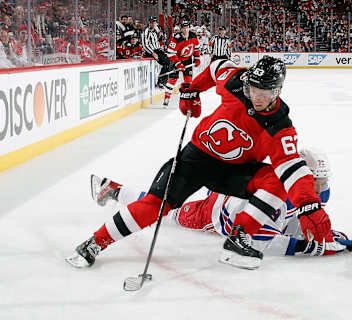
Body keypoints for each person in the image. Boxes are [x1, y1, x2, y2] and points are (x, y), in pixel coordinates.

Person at [66, 56, 337, 271]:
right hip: (196, 159)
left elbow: (292, 167)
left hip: (235, 172)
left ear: (277, 91)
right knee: (155, 206)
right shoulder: (235, 81)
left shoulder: (280, 126)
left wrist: (308, 205)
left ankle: (238, 238)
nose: (256, 97)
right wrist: (192, 90)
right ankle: (93, 243)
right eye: (253, 89)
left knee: (277, 181)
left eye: (264, 93)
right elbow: (217, 65)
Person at [88, 148, 352, 257]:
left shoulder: (301, 193)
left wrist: (326, 235)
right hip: (213, 212)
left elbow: (293, 222)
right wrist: (313, 247)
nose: (322, 187)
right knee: (166, 211)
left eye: (323, 181)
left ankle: (115, 190)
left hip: (234, 195)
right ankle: (115, 190)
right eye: (317, 181)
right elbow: (263, 242)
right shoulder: (275, 201)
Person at [161, 19, 200, 107]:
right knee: (172, 80)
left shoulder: (193, 36)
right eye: (184, 28)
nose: (185, 30)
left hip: (188, 60)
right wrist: (178, 63)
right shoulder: (176, 38)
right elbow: (170, 53)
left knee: (188, 81)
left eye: (187, 28)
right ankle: (167, 98)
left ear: (189, 28)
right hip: (176, 60)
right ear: (181, 29)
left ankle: (187, 100)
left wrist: (197, 58)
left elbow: (197, 48)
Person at [143, 16, 174, 88]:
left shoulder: (156, 29)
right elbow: (145, 45)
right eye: (151, 22)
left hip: (158, 50)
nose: (153, 24)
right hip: (152, 51)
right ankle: (161, 82)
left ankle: (163, 82)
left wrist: (160, 45)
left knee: (169, 62)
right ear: (149, 23)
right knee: (167, 63)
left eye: (154, 22)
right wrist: (152, 53)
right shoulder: (146, 31)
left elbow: (157, 40)